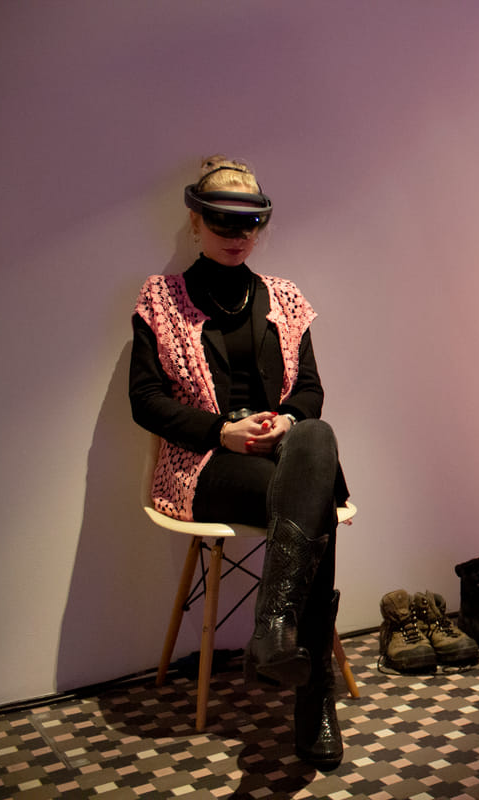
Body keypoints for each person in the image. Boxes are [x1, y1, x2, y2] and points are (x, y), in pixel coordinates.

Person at [129, 155, 348, 769]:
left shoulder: (285, 298)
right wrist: (220, 432)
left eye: (249, 223)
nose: (237, 235)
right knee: (314, 502)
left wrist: (286, 421)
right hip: (203, 465)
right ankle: (314, 693)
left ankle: (275, 629)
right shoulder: (161, 299)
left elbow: (309, 390)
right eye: (222, 222)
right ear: (195, 222)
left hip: (284, 454)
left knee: (315, 434)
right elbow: (145, 400)